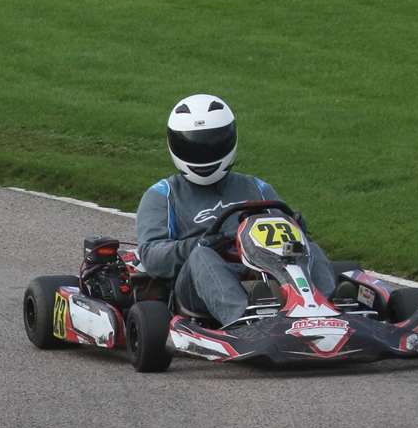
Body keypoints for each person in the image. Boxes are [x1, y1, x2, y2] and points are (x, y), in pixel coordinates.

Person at [135, 94, 340, 326]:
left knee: (310, 248)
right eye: (193, 146)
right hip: (196, 287)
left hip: (263, 274)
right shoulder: (163, 195)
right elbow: (152, 256)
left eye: (211, 144)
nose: (203, 154)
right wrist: (201, 244)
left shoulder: (256, 188)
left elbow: (286, 243)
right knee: (202, 256)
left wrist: (295, 228)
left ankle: (328, 311)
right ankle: (241, 321)